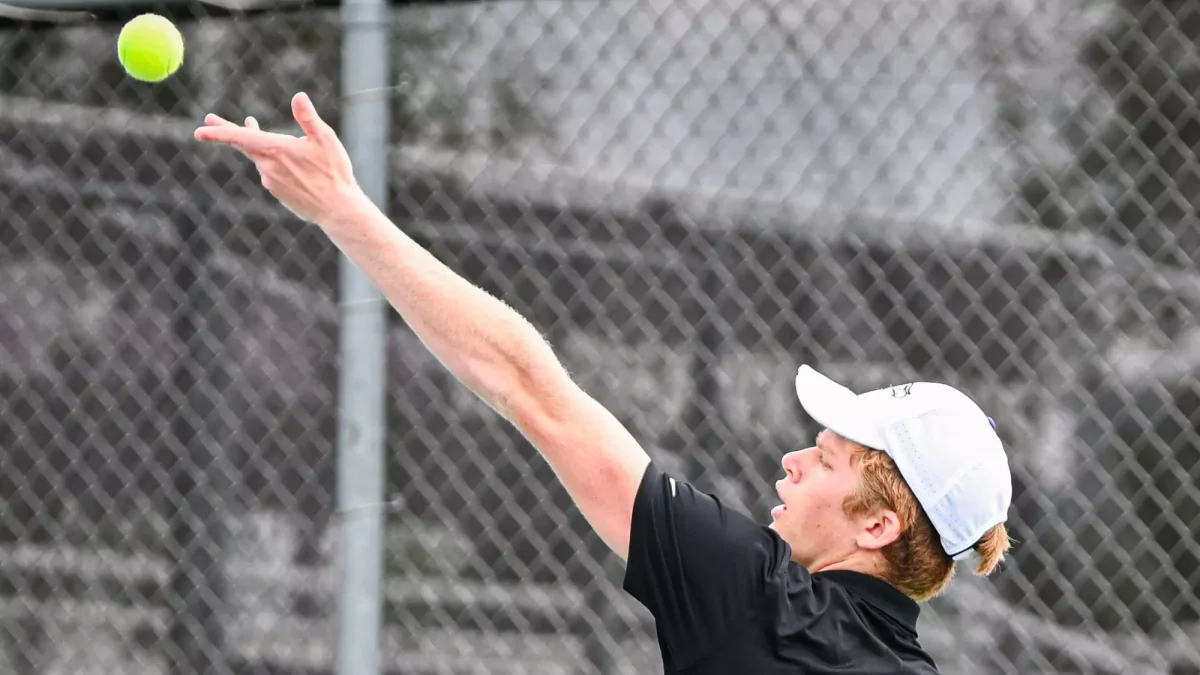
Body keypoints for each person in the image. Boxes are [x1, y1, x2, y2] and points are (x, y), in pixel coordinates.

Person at [194, 93, 1014, 674]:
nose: (794, 460)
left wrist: (343, 209)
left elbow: (528, 383)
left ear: (876, 525)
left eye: (828, 459)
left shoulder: (758, 596)